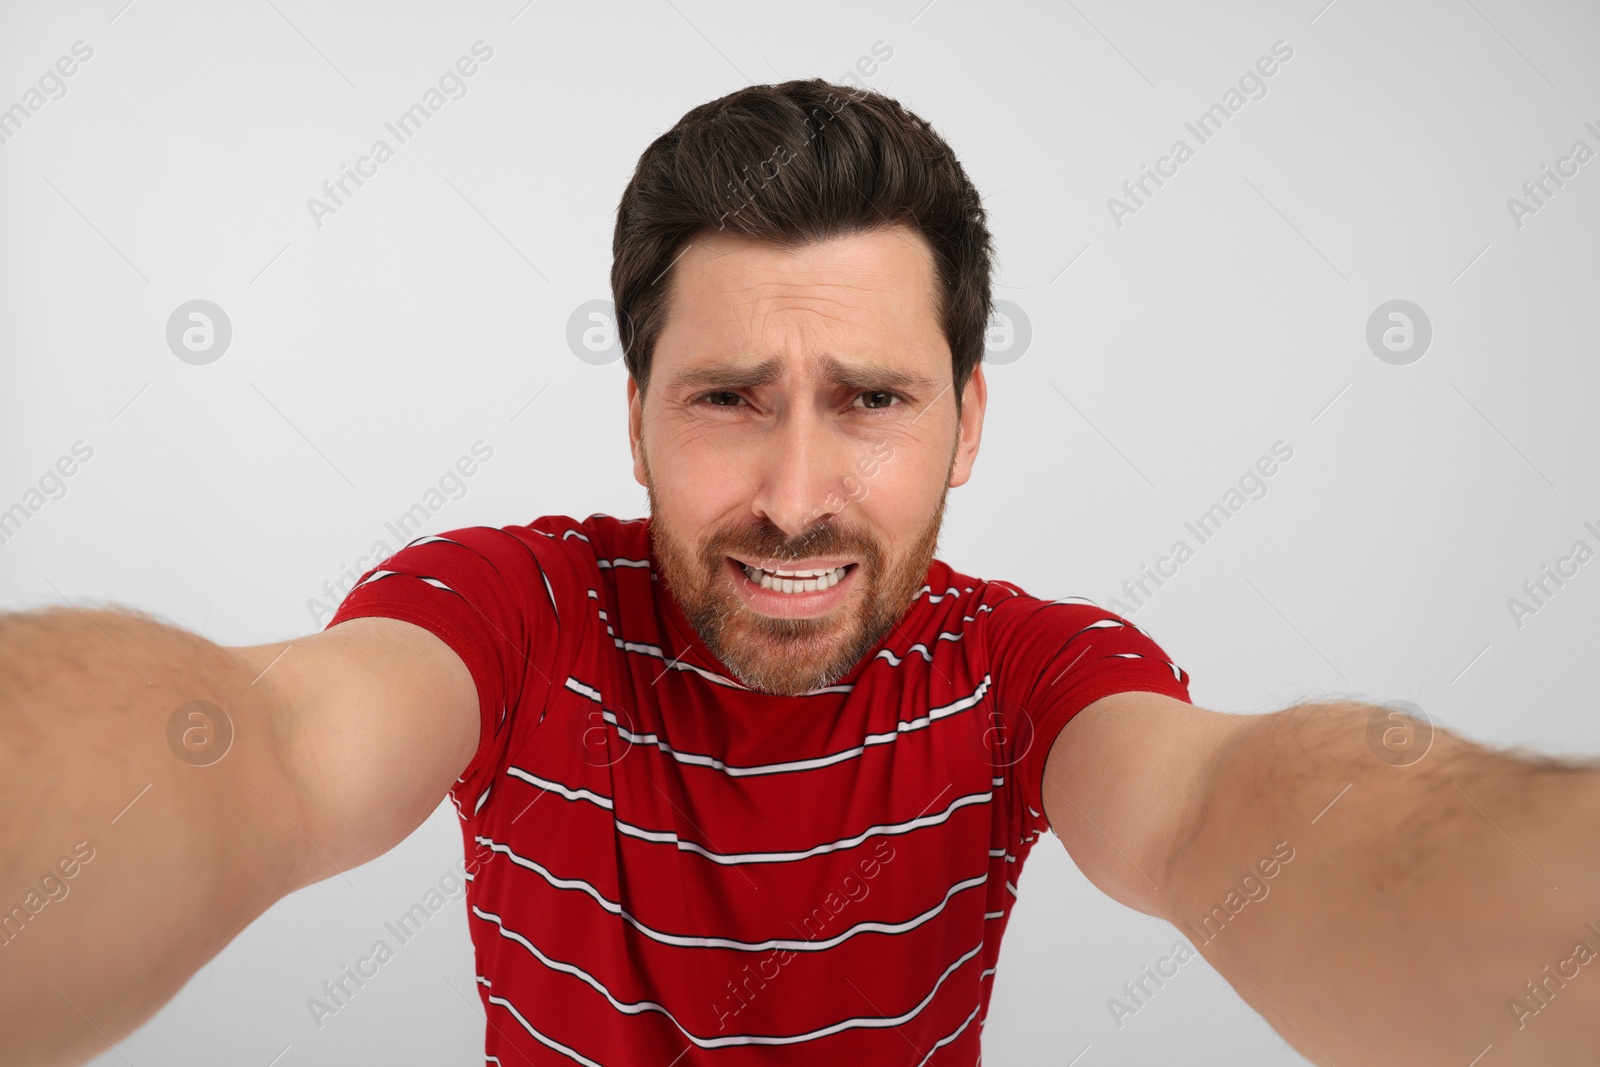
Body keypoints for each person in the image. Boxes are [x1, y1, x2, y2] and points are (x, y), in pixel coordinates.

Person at [2, 78, 1596, 1067]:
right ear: (635, 417)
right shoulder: (518, 609)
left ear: (968, 420)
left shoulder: (1025, 672)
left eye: (874, 401)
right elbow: (265, 750)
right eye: (725, 398)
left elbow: (1218, 812)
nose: (792, 496)